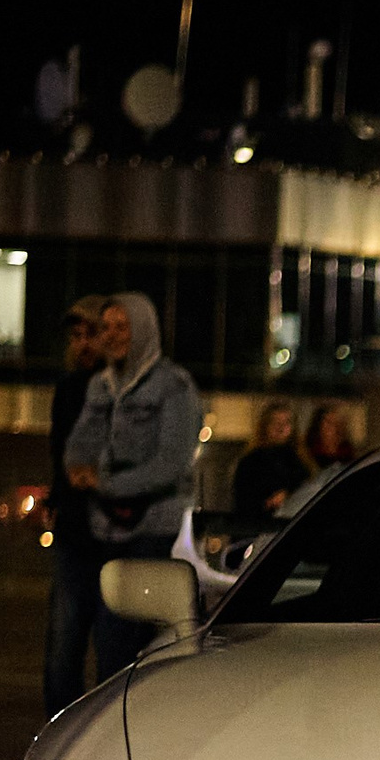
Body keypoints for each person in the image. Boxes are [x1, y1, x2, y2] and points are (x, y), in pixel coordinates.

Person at [65, 292, 202, 680]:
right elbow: (77, 449)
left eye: (121, 326)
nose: (111, 335)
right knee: (108, 645)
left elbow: (171, 464)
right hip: (106, 530)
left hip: (155, 530)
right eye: (105, 327)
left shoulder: (174, 386)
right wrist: (79, 469)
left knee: (134, 642)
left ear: (143, 329)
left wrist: (106, 483)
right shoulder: (100, 386)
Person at [42, 295, 107, 715]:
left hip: (114, 532)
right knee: (62, 651)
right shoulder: (67, 389)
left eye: (91, 335)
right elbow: (60, 453)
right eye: (77, 336)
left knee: (112, 648)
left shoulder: (118, 387)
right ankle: (59, 731)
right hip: (73, 531)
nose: (83, 344)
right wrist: (57, 495)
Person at [232, 399, 309, 521]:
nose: (281, 428)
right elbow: (244, 502)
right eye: (275, 422)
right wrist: (268, 502)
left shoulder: (300, 461)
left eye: (286, 422)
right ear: (265, 426)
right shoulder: (251, 462)